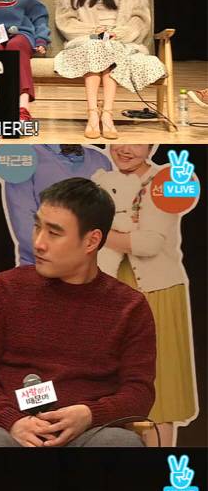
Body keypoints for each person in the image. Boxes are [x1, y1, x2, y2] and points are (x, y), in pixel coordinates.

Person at [0, 177, 156, 448]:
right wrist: (11, 420)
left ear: (91, 241)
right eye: (37, 227)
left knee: (119, 443)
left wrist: (90, 414)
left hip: (89, 433)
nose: (38, 243)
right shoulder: (5, 288)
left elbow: (139, 391)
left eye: (54, 233)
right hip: (10, 429)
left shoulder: (130, 307)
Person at [94, 144, 198, 447]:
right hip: (111, 291)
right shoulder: (101, 182)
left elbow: (149, 243)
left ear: (152, 144)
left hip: (157, 292)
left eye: (137, 142)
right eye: (119, 141)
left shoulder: (167, 179)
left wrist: (96, 233)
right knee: (116, 386)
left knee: (161, 390)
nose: (125, 149)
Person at [53, 0, 166, 141]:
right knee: (97, 45)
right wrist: (91, 32)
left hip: (119, 39)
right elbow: (65, 20)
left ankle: (106, 115)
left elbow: (140, 18)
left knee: (108, 47)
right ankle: (93, 115)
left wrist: (119, 33)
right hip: (87, 39)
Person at [0, 144, 112, 264]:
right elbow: (24, 227)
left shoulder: (101, 160)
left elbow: (107, 222)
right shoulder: (20, 158)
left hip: (91, 268)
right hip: (37, 268)